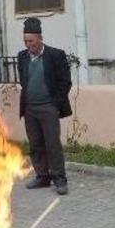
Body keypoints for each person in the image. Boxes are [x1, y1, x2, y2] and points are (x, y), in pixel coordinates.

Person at [17, 17, 72, 195]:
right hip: (30, 108)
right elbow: (24, 80)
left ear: (40, 38)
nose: (28, 45)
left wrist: (55, 104)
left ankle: (59, 178)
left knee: (52, 144)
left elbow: (65, 82)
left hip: (48, 107)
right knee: (35, 144)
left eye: (31, 41)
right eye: (25, 41)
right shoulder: (22, 57)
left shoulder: (56, 55)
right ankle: (42, 176)